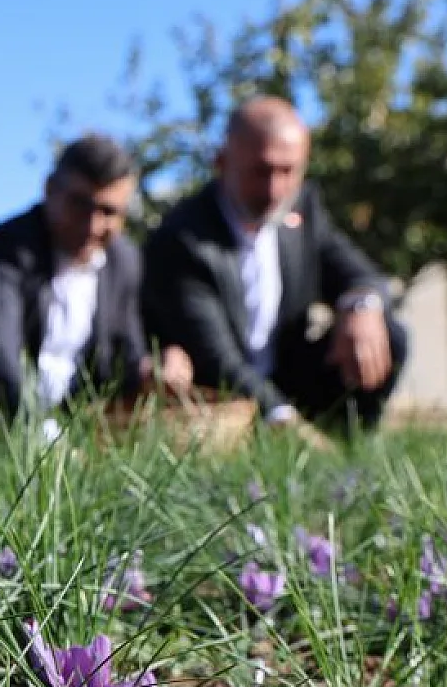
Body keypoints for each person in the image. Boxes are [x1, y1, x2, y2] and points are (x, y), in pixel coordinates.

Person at [142, 97, 409, 437]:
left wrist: (362, 305)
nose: (274, 189)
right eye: (261, 171)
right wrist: (282, 419)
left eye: (288, 171)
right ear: (222, 162)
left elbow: (358, 273)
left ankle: (350, 446)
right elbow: (217, 357)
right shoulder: (183, 239)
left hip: (292, 376)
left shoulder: (303, 211)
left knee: (389, 334)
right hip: (216, 403)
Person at [0, 134, 192, 440]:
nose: (92, 226)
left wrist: (152, 369)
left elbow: (124, 355)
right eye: (79, 204)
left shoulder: (123, 263)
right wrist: (44, 438)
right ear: (49, 191)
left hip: (78, 428)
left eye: (109, 212)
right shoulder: (3, 251)